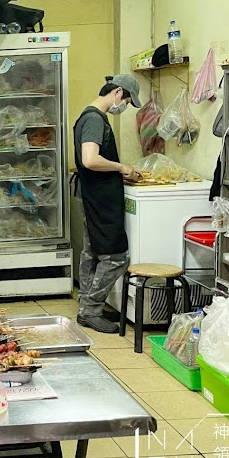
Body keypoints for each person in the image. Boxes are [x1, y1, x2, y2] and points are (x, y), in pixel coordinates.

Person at [72, 74, 142, 333]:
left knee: (92, 253)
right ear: (117, 92)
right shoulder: (93, 119)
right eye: (126, 101)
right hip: (99, 198)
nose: (123, 107)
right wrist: (122, 167)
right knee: (115, 257)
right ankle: (91, 309)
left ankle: (86, 308)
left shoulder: (87, 116)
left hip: (93, 195)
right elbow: (90, 159)